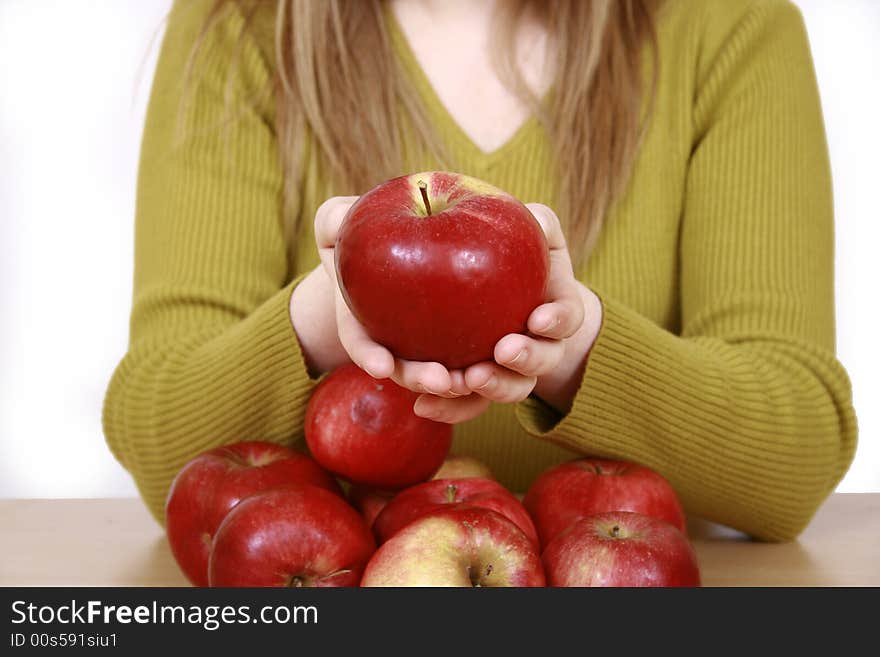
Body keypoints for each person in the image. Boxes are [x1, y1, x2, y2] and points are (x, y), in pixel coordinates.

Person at [103, 0, 857, 542]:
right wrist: (327, 315)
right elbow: (160, 446)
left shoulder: (732, 24)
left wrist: (573, 345)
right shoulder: (240, 26)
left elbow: (795, 460)